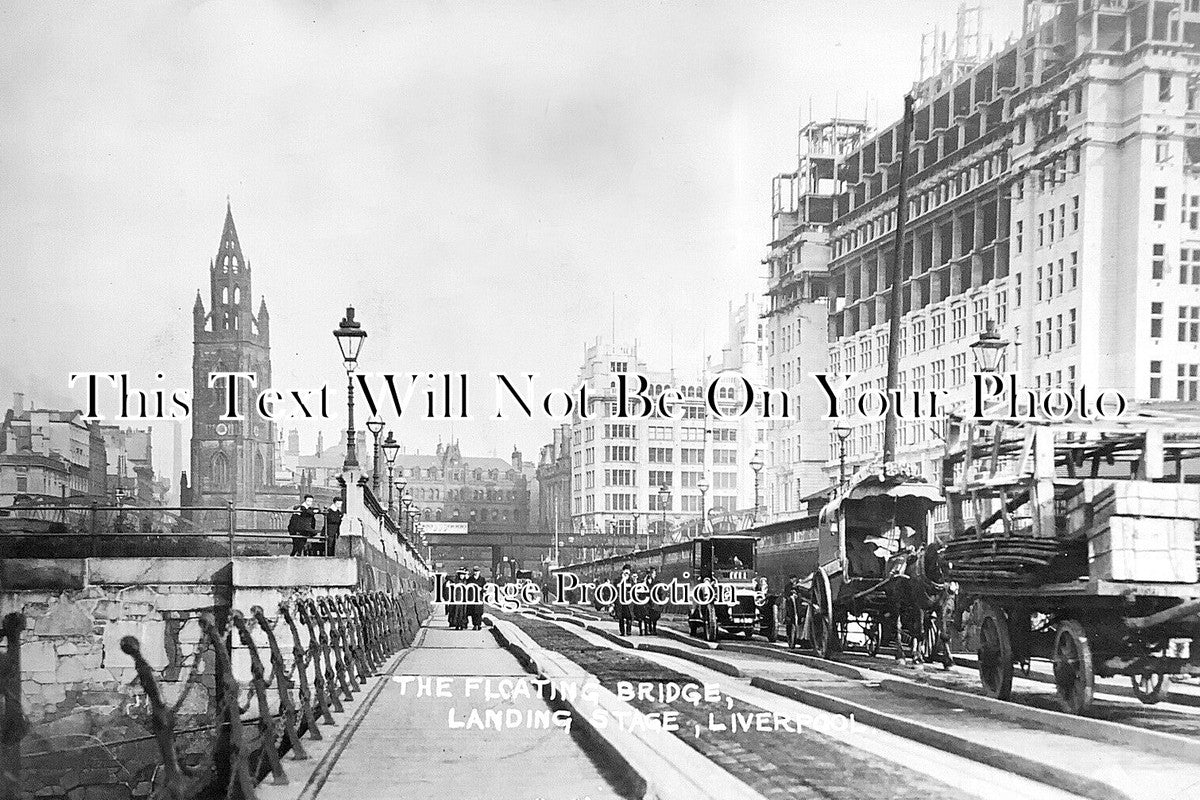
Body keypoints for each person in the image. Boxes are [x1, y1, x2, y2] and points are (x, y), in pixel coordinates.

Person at [614, 564, 634, 637]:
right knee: (621, 618)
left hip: (628, 602)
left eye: (628, 572)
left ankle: (628, 631)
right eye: (625, 572)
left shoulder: (631, 581)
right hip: (620, 602)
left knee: (629, 617)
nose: (627, 574)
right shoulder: (618, 580)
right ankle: (622, 631)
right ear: (623, 572)